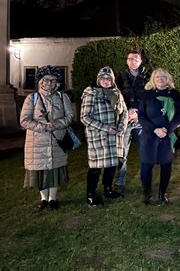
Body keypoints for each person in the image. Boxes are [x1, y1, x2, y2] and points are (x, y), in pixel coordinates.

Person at [20, 65, 74, 211]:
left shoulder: (63, 97)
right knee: (41, 172)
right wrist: (43, 127)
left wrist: (56, 124)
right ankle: (43, 199)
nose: (49, 83)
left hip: (57, 140)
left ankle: (53, 199)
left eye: (52, 80)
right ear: (40, 81)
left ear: (57, 82)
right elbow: (24, 120)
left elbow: (70, 117)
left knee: (54, 171)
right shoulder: (32, 98)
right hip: (37, 142)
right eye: (46, 80)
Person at [81, 66, 128, 207]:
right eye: (103, 78)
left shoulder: (117, 93)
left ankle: (108, 189)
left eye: (109, 79)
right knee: (95, 168)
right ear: (98, 79)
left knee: (111, 166)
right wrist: (105, 128)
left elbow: (124, 112)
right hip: (98, 136)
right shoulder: (91, 92)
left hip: (115, 136)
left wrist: (121, 128)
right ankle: (90, 194)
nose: (106, 81)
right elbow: (85, 117)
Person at [138, 68, 180, 205]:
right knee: (146, 166)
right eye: (157, 77)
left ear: (168, 79)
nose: (160, 79)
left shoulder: (174, 94)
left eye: (163, 77)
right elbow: (141, 115)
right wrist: (154, 129)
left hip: (167, 136)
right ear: (153, 79)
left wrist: (167, 129)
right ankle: (146, 193)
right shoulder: (147, 94)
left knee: (166, 165)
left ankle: (162, 194)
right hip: (150, 135)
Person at [114, 50, 149, 194]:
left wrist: (139, 112)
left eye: (136, 59)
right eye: (130, 59)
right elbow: (116, 96)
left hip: (141, 120)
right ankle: (119, 183)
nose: (133, 61)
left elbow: (151, 97)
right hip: (125, 121)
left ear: (141, 61)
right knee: (121, 154)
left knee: (144, 153)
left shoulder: (148, 76)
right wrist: (127, 111)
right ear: (127, 61)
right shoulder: (120, 77)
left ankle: (145, 182)